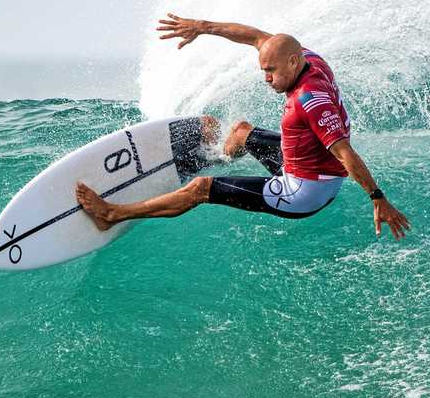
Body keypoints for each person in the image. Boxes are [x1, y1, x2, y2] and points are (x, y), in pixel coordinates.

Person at [75, 14, 411, 240]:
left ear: (293, 63)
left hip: (304, 191)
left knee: (201, 189)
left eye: (271, 71)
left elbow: (345, 154)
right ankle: (218, 155)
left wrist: (378, 198)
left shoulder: (311, 100)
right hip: (303, 163)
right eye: (263, 68)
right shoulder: (309, 60)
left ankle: (112, 214)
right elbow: (255, 37)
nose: (266, 78)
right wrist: (202, 26)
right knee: (241, 132)